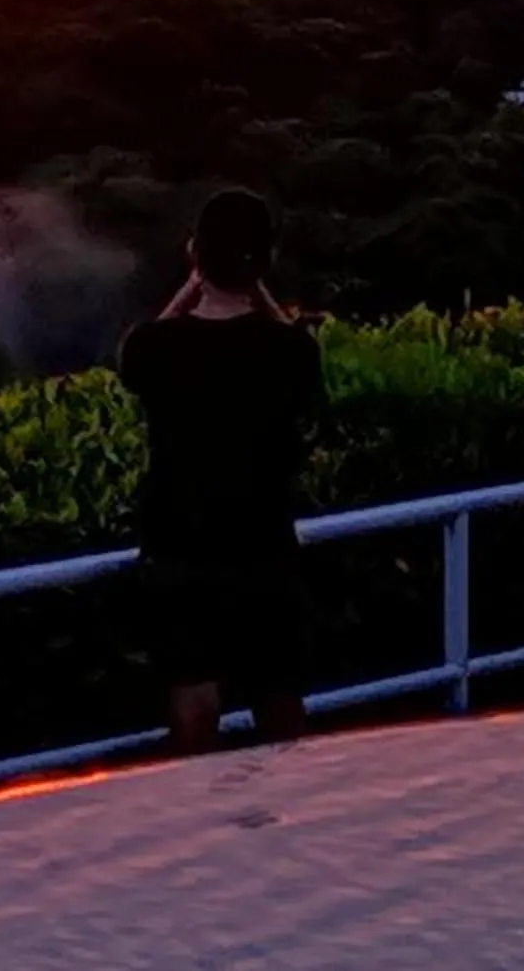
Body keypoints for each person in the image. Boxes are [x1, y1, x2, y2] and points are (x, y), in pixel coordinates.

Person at [118, 187, 326, 754]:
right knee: (280, 699)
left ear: (194, 255)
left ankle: (196, 823)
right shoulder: (291, 352)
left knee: (194, 699)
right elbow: (290, 350)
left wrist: (193, 284)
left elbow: (135, 359)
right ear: (267, 261)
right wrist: (255, 285)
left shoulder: (158, 347)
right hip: (265, 548)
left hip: (181, 549)